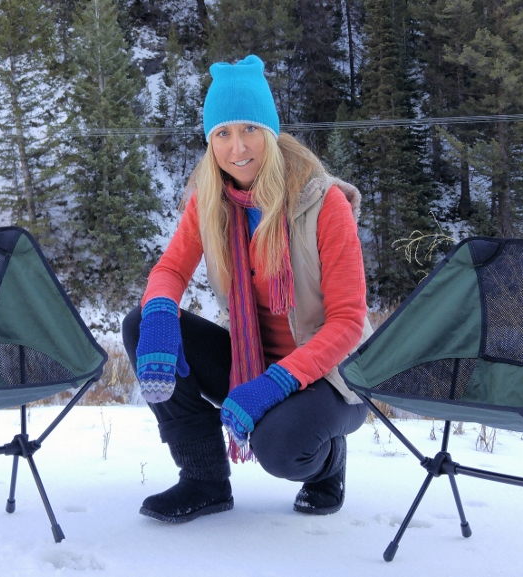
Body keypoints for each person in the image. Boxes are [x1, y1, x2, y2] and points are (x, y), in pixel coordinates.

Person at [121, 54, 372, 523]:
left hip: (332, 374)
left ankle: (329, 463)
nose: (237, 147)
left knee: (279, 446)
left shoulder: (323, 204)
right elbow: (171, 269)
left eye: (249, 129)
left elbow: (347, 322)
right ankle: (204, 479)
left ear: (271, 133)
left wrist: (275, 383)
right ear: (210, 141)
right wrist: (159, 315)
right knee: (142, 324)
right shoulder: (210, 201)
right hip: (251, 358)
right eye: (222, 133)